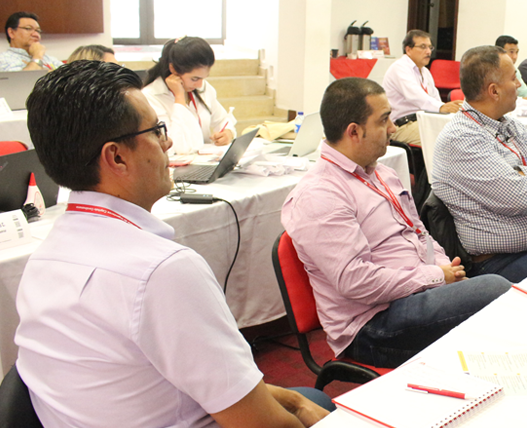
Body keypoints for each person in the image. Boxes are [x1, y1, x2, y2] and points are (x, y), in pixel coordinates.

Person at [17, 60, 333, 427]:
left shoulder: (44, 256)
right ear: (117, 157)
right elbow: (263, 424)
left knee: (306, 398)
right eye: (157, 131)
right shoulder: (161, 271)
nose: (167, 143)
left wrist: (293, 400)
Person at [281, 77, 510, 368]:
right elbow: (355, 281)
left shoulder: (381, 173)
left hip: (415, 295)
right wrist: (435, 277)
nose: (393, 128)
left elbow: (419, 233)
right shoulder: (320, 194)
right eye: (384, 120)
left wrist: (446, 270)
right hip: (371, 324)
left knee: (510, 294)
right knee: (496, 291)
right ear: (354, 131)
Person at [432, 45, 527, 283]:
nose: (518, 84)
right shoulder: (461, 138)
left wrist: (520, 173)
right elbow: (523, 197)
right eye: (514, 78)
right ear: (494, 91)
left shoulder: (509, 124)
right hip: (501, 261)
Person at [142, 36, 236, 155]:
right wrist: (179, 97)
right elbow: (177, 147)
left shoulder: (202, 87)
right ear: (173, 69)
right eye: (194, 79)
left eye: (203, 78)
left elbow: (223, 120)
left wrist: (228, 132)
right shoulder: (150, 96)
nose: (199, 84)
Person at [382, 29, 463, 145]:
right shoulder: (399, 68)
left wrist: (448, 109)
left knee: (461, 133)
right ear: (408, 50)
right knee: (447, 142)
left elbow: (435, 98)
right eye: (423, 47)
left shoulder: (425, 72)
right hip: (403, 126)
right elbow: (415, 96)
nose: (428, 52)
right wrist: (442, 107)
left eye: (430, 47)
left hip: (424, 121)